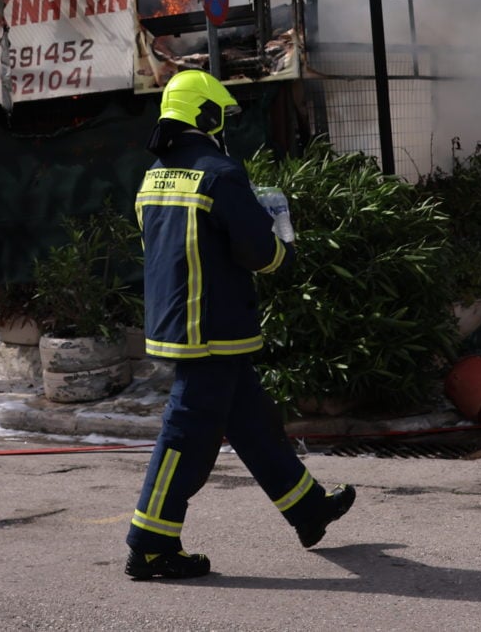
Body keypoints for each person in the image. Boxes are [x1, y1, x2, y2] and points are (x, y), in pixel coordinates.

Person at [123, 69, 354, 583]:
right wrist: (284, 246)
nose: (224, 125)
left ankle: (308, 509)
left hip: (180, 322)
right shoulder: (220, 173)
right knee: (186, 435)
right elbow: (257, 251)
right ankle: (150, 544)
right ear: (204, 115)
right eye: (221, 115)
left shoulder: (154, 175)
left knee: (252, 422)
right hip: (214, 327)